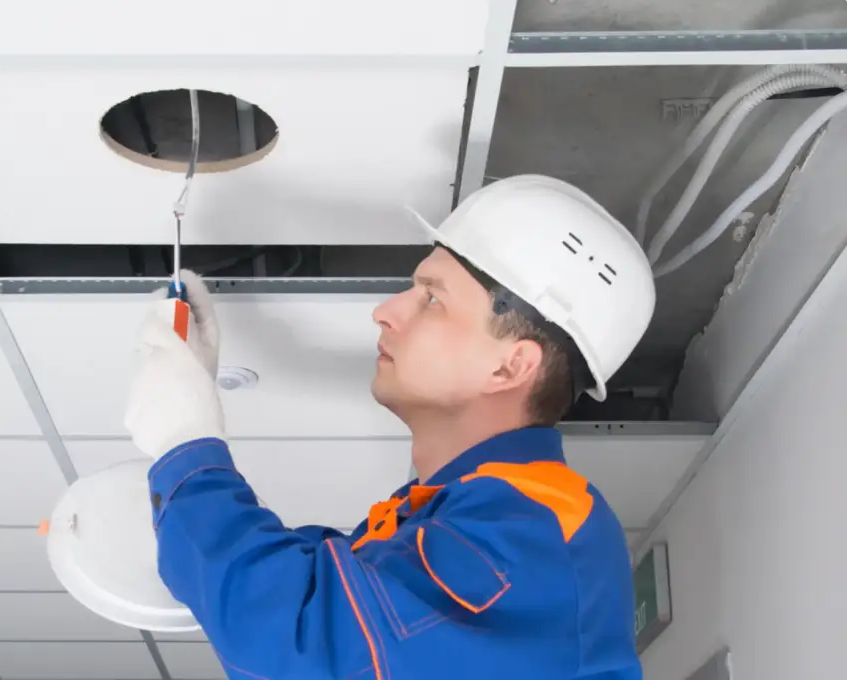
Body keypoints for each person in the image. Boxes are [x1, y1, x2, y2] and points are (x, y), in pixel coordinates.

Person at [124, 174, 656, 679]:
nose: (384, 310)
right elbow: (312, 595)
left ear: (509, 367)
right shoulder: (444, 517)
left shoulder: (535, 532)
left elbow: (310, 646)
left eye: (432, 299)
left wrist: (187, 449)